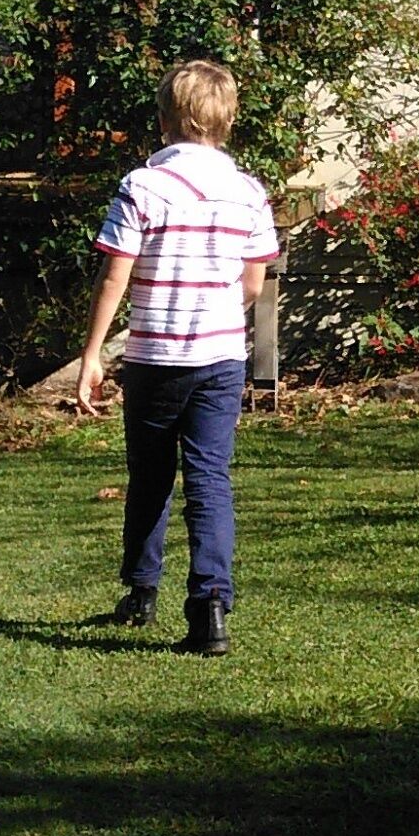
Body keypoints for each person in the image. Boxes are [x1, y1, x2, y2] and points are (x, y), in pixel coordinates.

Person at [74, 59, 279, 656]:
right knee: (210, 479)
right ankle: (211, 605)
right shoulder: (248, 192)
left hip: (155, 355)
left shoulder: (143, 185)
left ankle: (141, 589)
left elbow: (116, 272)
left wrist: (92, 354)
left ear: (164, 120)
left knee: (151, 476)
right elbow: (252, 284)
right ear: (229, 120)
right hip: (220, 357)